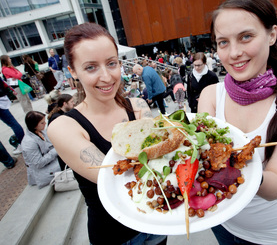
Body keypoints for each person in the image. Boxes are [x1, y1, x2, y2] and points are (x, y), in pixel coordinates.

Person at [198, 0, 277, 245]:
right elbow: (201, 157)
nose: (233, 53)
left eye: (246, 37)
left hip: (270, 236)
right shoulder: (211, 94)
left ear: (272, 34)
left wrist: (229, 161)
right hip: (220, 222)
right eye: (223, 42)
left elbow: (276, 184)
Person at [47, 22, 166, 245]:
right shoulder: (64, 126)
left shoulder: (138, 105)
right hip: (114, 236)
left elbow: (162, 156)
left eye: (111, 63)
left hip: (156, 220)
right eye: (91, 67)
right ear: (72, 71)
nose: (106, 77)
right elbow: (116, 179)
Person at [21, 111, 61, 189]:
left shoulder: (41, 131)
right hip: (42, 171)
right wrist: (55, 150)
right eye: (42, 123)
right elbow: (38, 163)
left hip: (51, 161)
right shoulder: (29, 143)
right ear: (34, 125)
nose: (45, 124)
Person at [0, 77, 25, 155]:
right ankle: (23, 143)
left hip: (1, 100)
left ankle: (23, 144)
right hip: (2, 99)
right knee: (13, 123)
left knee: (12, 123)